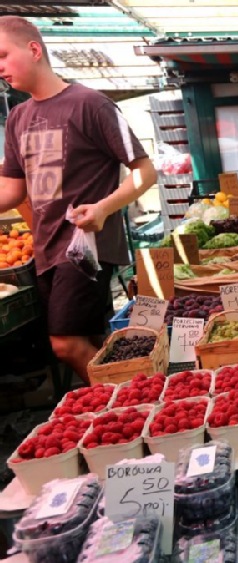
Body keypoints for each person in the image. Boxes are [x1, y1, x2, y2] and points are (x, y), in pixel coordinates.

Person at [0, 17, 156, 384]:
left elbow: (145, 171)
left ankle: (131, 406)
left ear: (34, 49)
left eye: (3, 55)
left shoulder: (92, 105)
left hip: (85, 247)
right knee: (88, 341)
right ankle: (133, 394)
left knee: (65, 344)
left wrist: (103, 208)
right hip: (46, 250)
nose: (0, 68)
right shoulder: (17, 118)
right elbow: (11, 191)